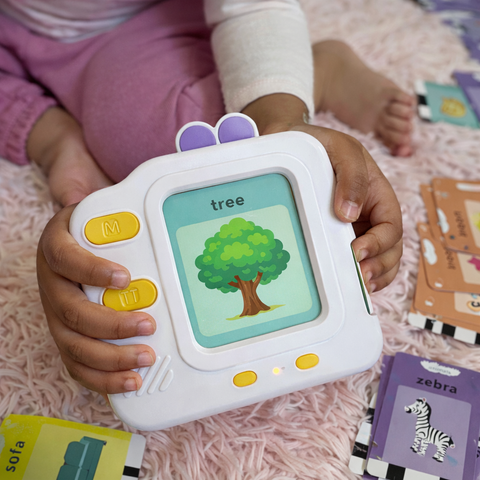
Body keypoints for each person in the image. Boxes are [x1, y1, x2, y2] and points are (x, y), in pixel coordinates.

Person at [0, 0, 409, 397]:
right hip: (19, 33)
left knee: (208, 147)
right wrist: (51, 135)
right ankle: (57, 131)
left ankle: (319, 70)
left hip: (153, 17)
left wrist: (281, 122)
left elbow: (255, 6)